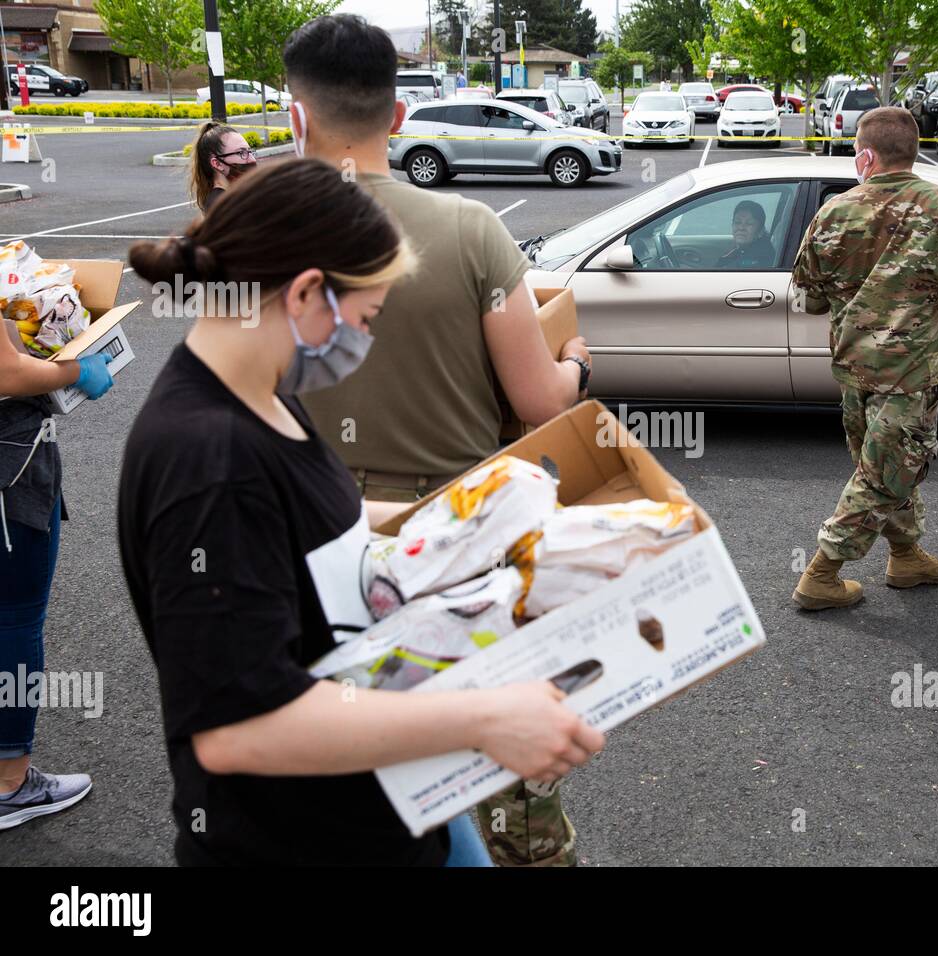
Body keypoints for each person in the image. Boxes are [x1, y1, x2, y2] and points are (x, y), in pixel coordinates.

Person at [117, 159, 604, 866]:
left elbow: (320, 523)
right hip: (306, 842)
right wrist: (488, 718)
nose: (366, 341)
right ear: (309, 291)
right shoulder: (209, 462)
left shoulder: (265, 394)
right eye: (368, 317)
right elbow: (238, 728)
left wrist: (472, 513)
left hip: (393, 801)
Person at [284, 14, 590, 868]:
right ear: (398, 116)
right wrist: (577, 367)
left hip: (312, 529)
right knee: (501, 772)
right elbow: (536, 399)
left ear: (296, 116)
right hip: (456, 530)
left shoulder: (260, 238)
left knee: (338, 760)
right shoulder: (470, 231)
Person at [790, 107, 938, 611]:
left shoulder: (832, 212)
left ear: (866, 156)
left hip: (855, 368)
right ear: (912, 153)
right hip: (913, 372)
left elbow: (808, 297)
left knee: (887, 466)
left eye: (856, 152)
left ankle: (907, 556)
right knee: (883, 473)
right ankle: (820, 575)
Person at [0, 306, 113, 830]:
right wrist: (75, 369)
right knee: (14, 618)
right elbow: (7, 372)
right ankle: (10, 783)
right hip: (8, 466)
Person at [188, 121, 258, 213]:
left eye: (249, 152)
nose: (252, 159)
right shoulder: (222, 207)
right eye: (241, 153)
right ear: (217, 163)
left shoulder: (233, 198)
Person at [716, 200, 778, 269]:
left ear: (761, 230)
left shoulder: (760, 258)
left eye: (749, 223)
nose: (741, 228)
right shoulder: (742, 250)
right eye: (737, 222)